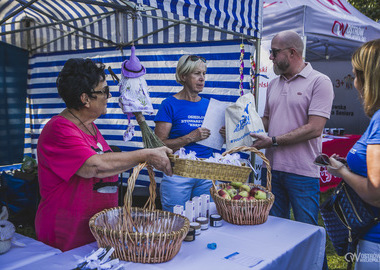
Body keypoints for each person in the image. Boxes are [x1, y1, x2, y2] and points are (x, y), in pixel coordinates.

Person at [35, 58, 173, 252]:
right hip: (67, 235)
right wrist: (145, 155)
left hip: (97, 230)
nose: (109, 96)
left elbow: (109, 166)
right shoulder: (59, 129)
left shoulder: (90, 126)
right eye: (105, 91)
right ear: (85, 99)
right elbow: (93, 166)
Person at [250, 30, 334, 226]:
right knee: (274, 229)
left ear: (292, 53)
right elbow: (268, 121)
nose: (270, 57)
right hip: (270, 169)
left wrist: (273, 141)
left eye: (275, 52)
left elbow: (315, 128)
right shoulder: (272, 84)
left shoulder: (320, 82)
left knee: (307, 231)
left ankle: (314, 259)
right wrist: (238, 126)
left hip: (302, 171)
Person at [327, 39, 380, 270]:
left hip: (375, 240)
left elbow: (375, 192)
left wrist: (341, 172)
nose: (355, 84)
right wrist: (349, 164)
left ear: (369, 78)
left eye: (355, 76)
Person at [154, 54, 224, 212]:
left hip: (207, 172)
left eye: (204, 74)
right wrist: (190, 137)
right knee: (176, 221)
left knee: (205, 218)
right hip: (178, 173)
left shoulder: (210, 105)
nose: (202, 78)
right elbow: (157, 145)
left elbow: (218, 141)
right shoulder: (169, 104)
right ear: (183, 76)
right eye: (197, 73)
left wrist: (225, 135)